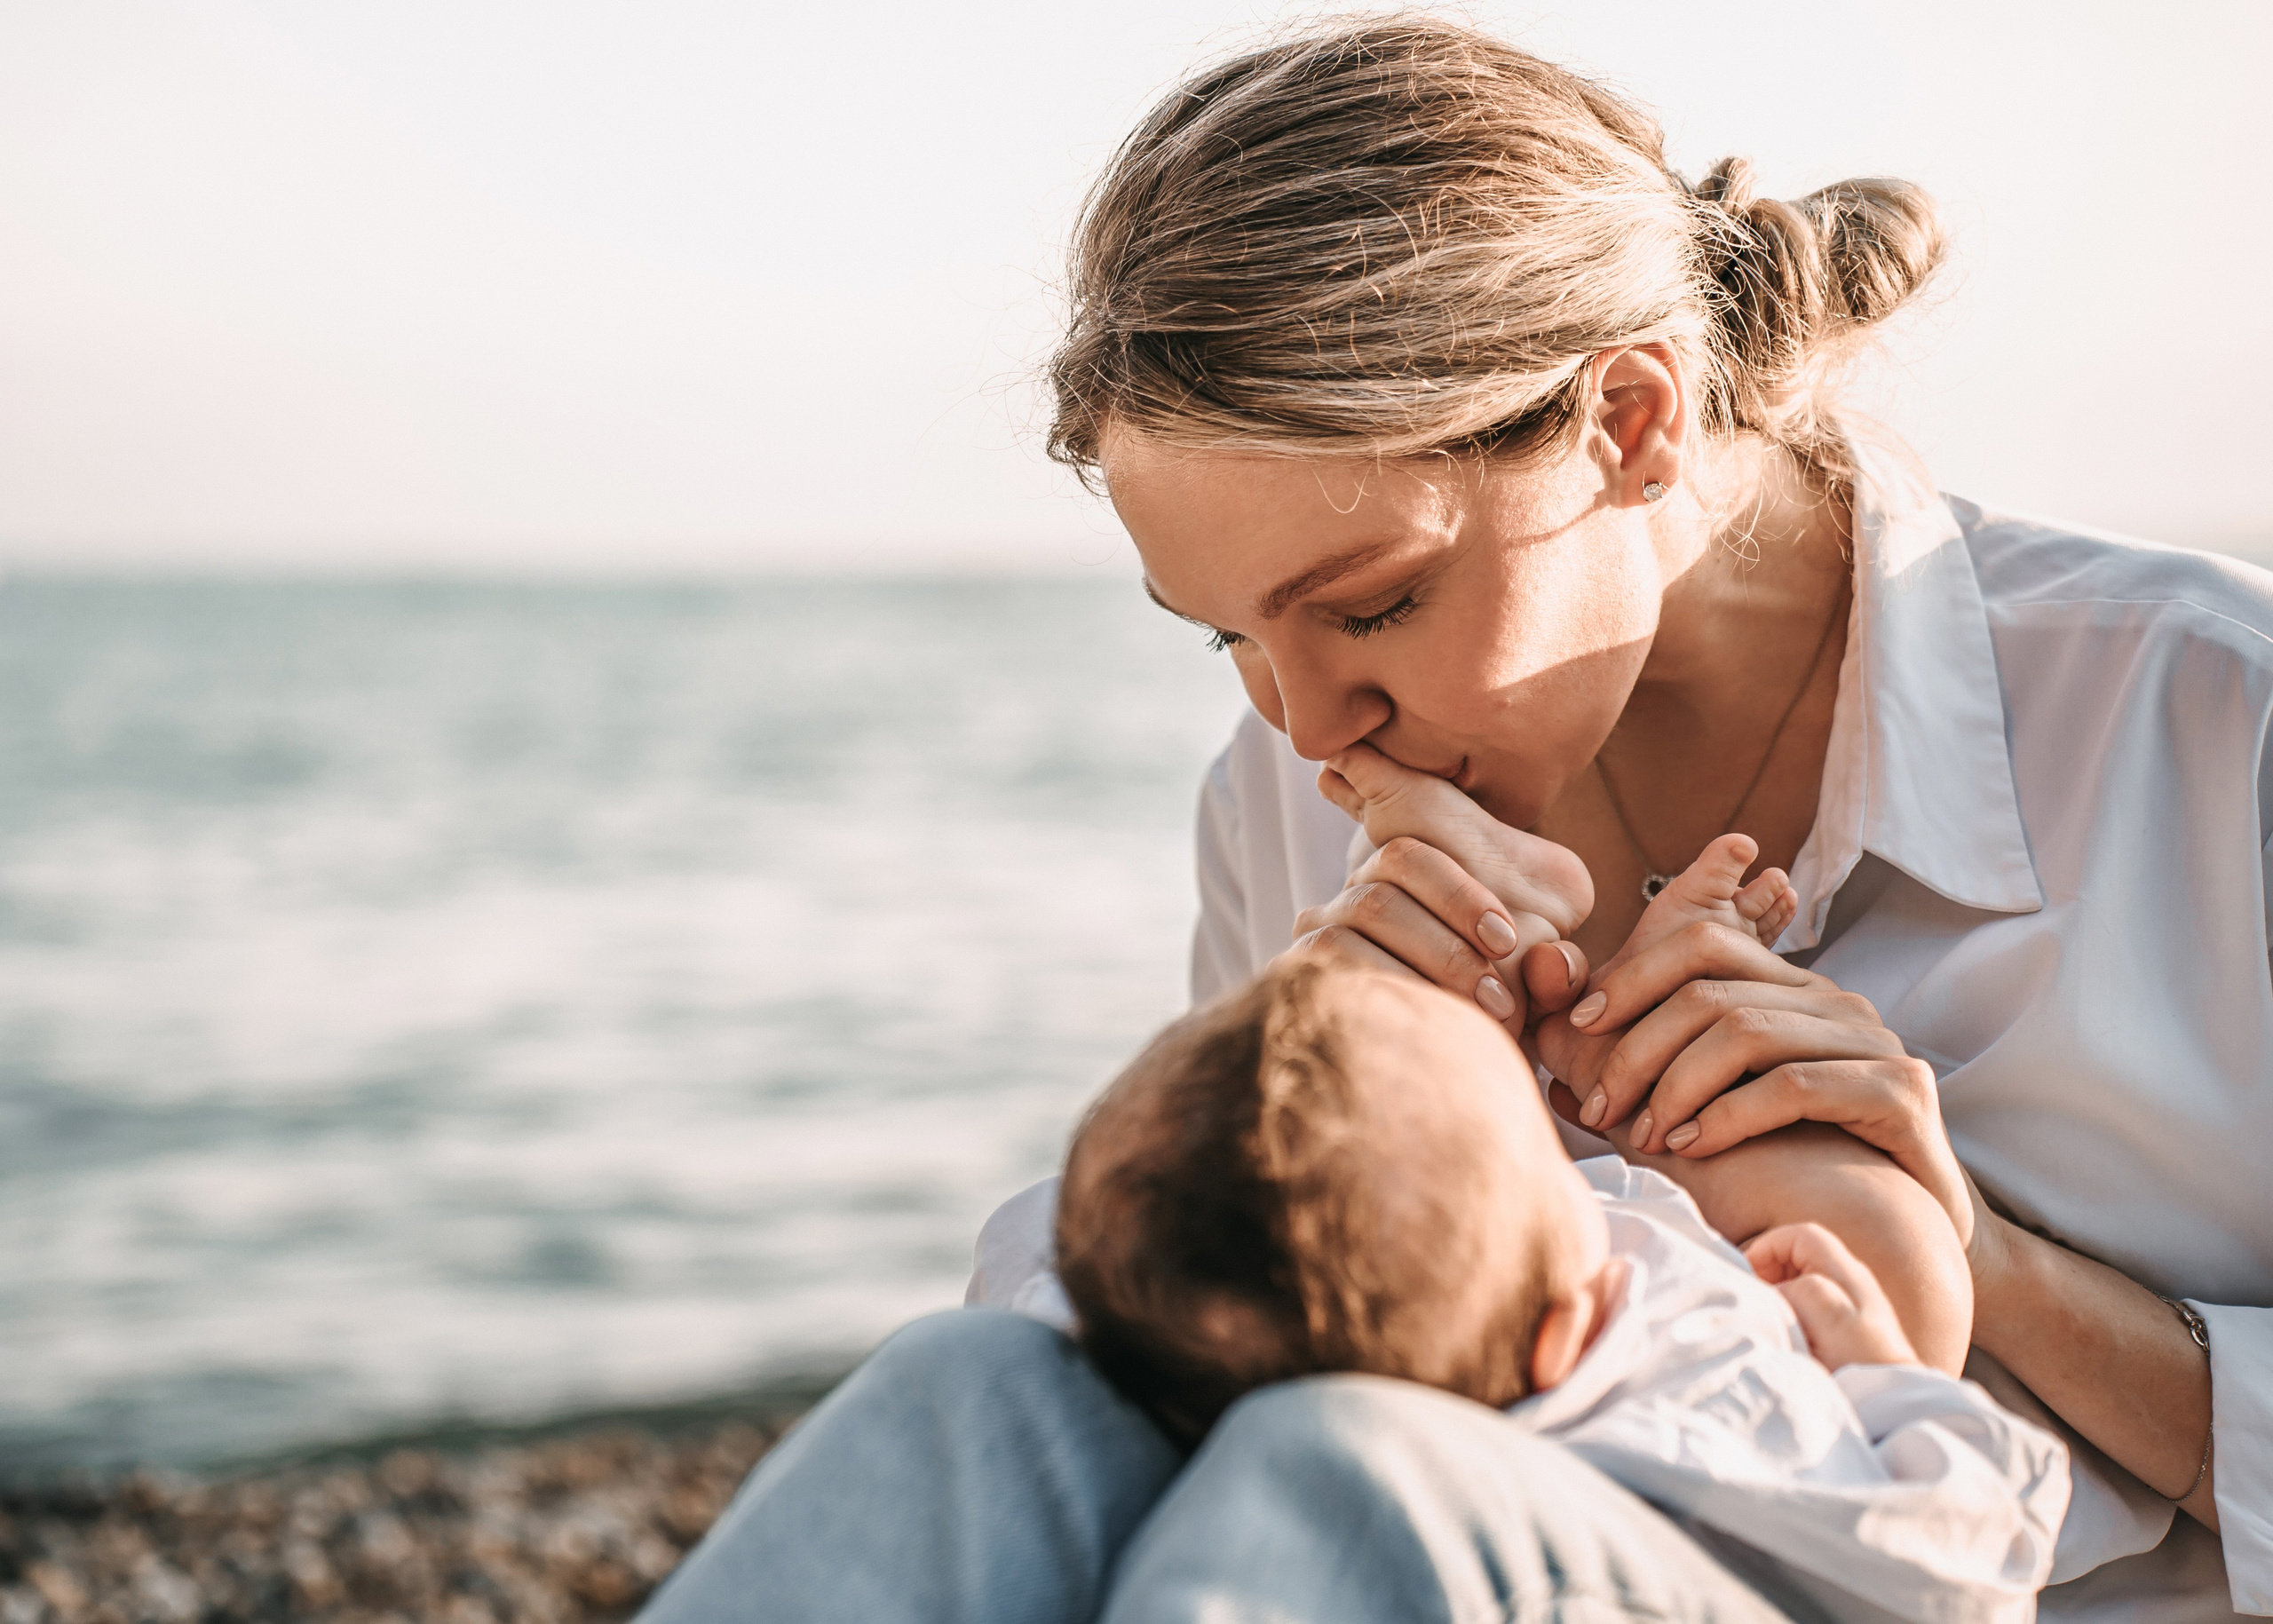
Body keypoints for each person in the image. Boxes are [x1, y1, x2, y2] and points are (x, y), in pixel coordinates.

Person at [645, 14, 2270, 1621]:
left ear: (1628, 422)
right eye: (1227, 633)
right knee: (971, 1387)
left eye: (1372, 605)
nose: (1302, 726)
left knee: (1355, 1471)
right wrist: (1323, 1076)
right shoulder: (1278, 808)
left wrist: (1985, 1262)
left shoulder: (2212, 723)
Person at [1026, 953, 2066, 1624]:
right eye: (1547, 1149)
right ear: (1561, 1334)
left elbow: (1053, 1266)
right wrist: (1882, 1382)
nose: (1611, 1175)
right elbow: (1971, 1567)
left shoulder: (1191, 1371)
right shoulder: (1705, 1385)